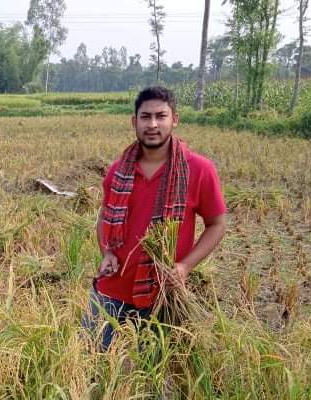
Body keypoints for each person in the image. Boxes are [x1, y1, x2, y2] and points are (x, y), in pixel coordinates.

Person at [84, 86, 227, 351]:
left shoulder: (199, 170)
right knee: (93, 364)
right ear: (134, 121)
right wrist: (107, 251)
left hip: (162, 293)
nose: (152, 124)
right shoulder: (118, 171)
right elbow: (105, 215)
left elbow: (216, 225)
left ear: (175, 119)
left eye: (161, 116)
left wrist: (185, 267)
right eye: (145, 116)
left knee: (155, 380)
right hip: (111, 290)